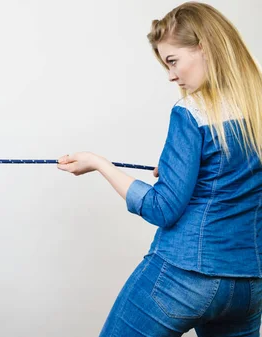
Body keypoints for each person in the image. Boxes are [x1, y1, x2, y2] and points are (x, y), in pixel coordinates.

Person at [57, 2, 262, 336]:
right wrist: (182, 170)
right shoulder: (257, 107)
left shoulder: (191, 112)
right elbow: (229, 178)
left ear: (204, 47)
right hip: (250, 286)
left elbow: (162, 208)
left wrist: (100, 164)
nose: (171, 75)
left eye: (173, 61)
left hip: (184, 276)